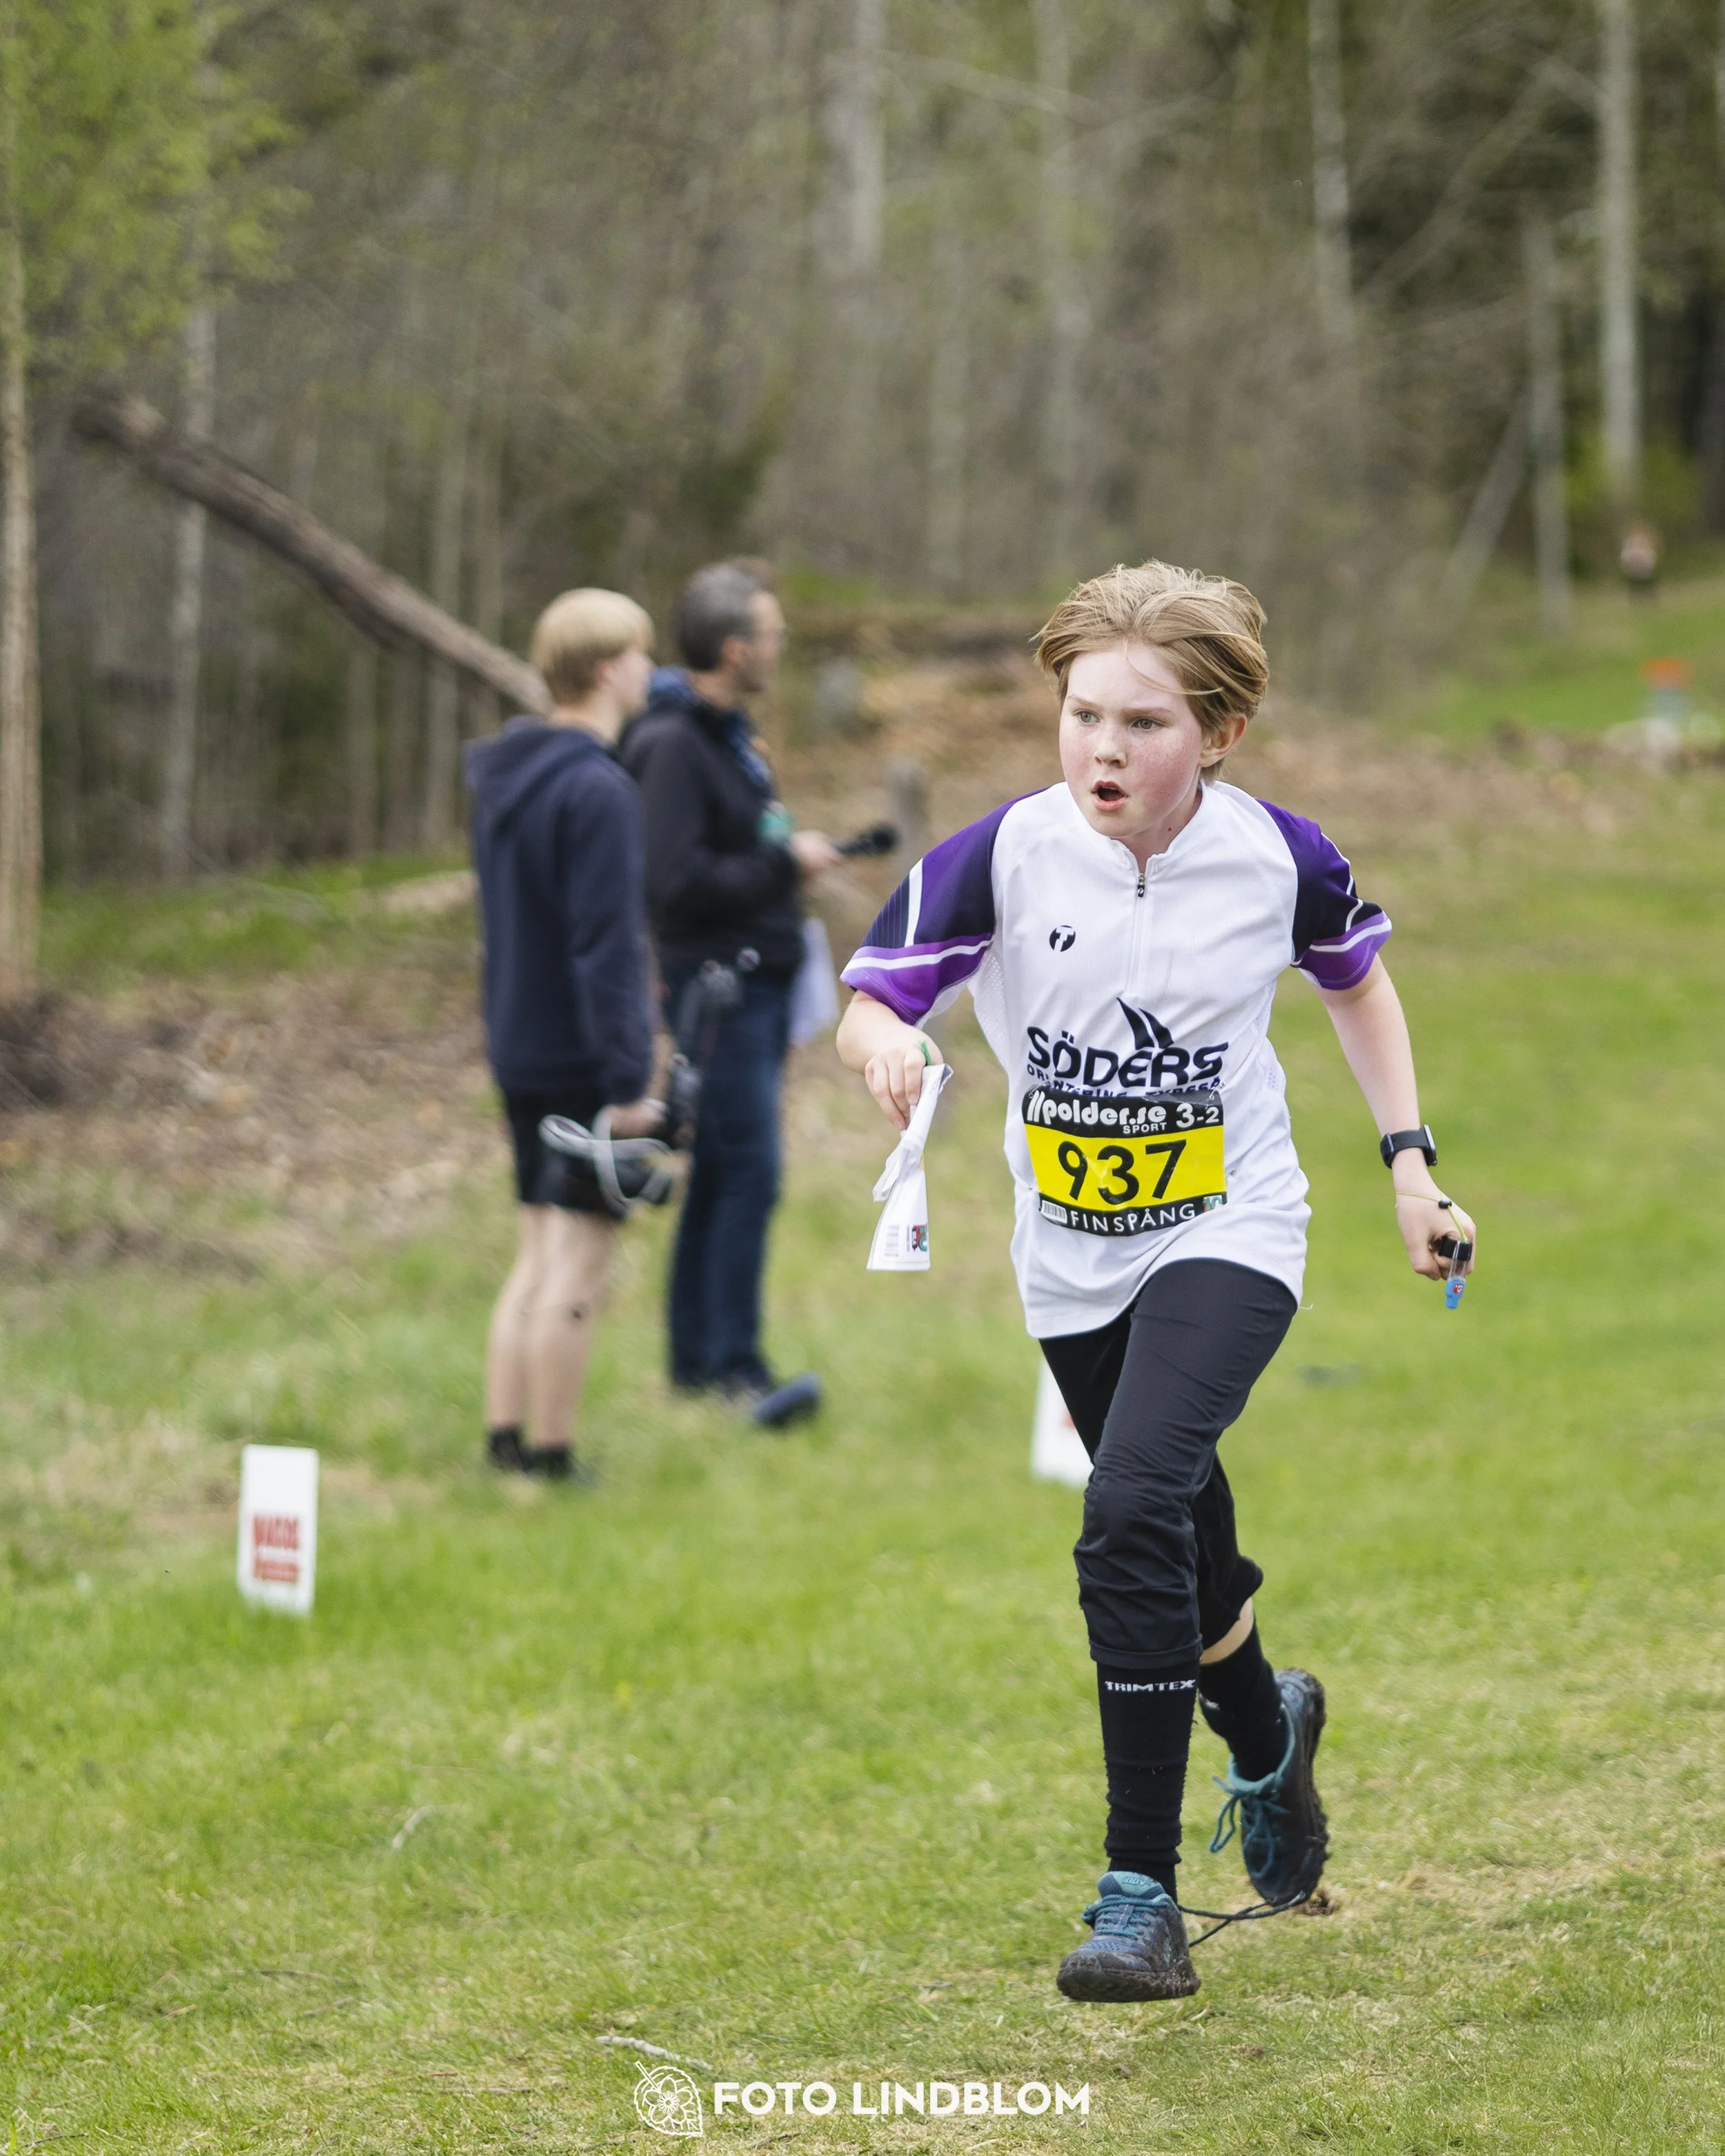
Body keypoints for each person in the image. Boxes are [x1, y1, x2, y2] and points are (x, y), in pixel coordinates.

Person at [836, 560, 1477, 2001]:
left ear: (1218, 732)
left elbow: (1353, 979)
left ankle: (1137, 1895)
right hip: (1068, 1263)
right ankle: (1266, 1736)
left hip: (1230, 1227)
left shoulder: (1277, 855)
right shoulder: (997, 854)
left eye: (1140, 721)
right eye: (1079, 715)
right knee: (1180, 1549)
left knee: (1123, 1508)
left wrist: (1406, 1161)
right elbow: (875, 986)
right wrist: (880, 1040)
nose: (1101, 750)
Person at [619, 562, 840, 1426]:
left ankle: (698, 1362)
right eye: (772, 635)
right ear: (736, 646)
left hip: (758, 982)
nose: (779, 649)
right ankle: (733, 1369)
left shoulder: (724, 735)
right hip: (719, 989)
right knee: (745, 1171)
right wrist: (782, 864)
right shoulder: (672, 744)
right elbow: (672, 882)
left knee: (724, 1170)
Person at [466, 588, 664, 1483]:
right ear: (603, 668)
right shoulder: (597, 789)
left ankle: (504, 1441)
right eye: (639, 654)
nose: (649, 671)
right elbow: (606, 948)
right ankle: (550, 1456)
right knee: (577, 1260)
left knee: (536, 1246)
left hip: (517, 1040)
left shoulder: (507, 780)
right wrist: (629, 1079)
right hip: (582, 1053)